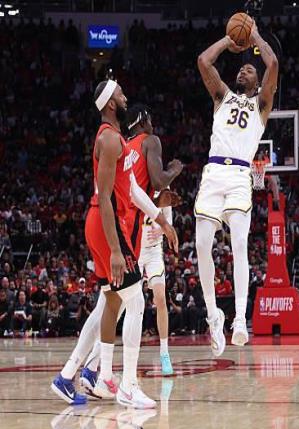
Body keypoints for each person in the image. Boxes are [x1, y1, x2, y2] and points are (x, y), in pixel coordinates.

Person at [51, 79, 178, 408]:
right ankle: (128, 386)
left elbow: (133, 190)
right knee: (135, 303)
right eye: (120, 93)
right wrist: (117, 250)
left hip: (100, 223)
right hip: (107, 223)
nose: (125, 97)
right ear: (110, 103)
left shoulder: (116, 139)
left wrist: (162, 221)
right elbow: (106, 197)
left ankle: (85, 375)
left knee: (111, 302)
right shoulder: (109, 139)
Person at [79, 104, 184, 384]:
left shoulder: (123, 146)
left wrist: (162, 219)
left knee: (123, 301)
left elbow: (136, 190)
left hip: (127, 229)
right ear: (144, 120)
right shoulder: (146, 141)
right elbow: (152, 184)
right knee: (126, 302)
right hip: (128, 232)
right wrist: (175, 168)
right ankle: (118, 379)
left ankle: (90, 370)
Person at [195, 23, 278, 355]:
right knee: (202, 244)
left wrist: (253, 34)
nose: (244, 70)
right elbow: (204, 61)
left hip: (241, 174)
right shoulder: (222, 96)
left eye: (249, 70)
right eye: (241, 69)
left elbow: (273, 63)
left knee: (240, 243)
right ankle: (214, 315)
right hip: (214, 171)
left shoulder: (262, 104)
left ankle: (240, 318)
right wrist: (228, 40)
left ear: (257, 82)